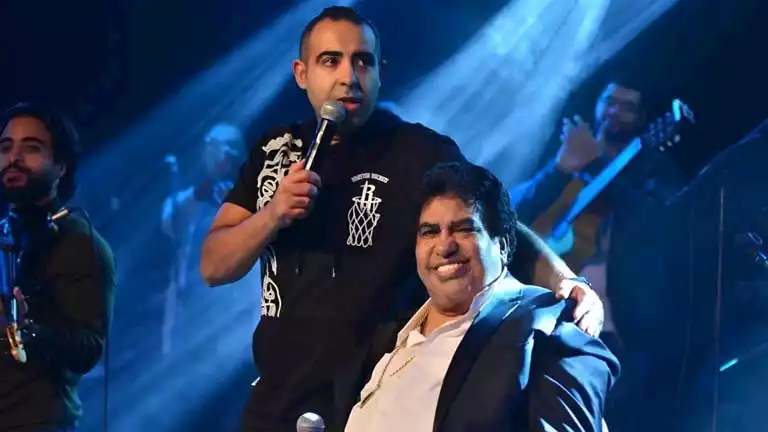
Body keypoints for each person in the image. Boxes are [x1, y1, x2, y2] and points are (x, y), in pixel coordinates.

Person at [200, 7, 603, 431]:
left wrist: (565, 280)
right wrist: (272, 215)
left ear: (380, 72)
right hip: (276, 400)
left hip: (374, 400)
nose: (349, 76)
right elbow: (213, 266)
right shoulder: (274, 151)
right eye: (330, 61)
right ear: (302, 74)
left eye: (363, 61)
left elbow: (496, 228)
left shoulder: (418, 151)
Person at [340, 162, 619, 432]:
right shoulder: (387, 341)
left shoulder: (549, 328)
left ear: (504, 245)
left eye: (464, 229)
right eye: (430, 232)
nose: (444, 246)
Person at [511, 79, 686, 429]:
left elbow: (658, 224)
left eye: (627, 107)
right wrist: (560, 169)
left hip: (608, 326)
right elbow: (511, 214)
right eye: (609, 102)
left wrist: (594, 164)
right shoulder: (572, 150)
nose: (614, 112)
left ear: (642, 119)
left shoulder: (651, 167)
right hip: (533, 310)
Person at [0, 103, 116, 431]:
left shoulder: (81, 242)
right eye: (5, 148)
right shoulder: (3, 234)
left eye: (31, 148)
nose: (13, 158)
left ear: (61, 166)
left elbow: (88, 350)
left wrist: (28, 328)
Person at [160, 122, 258, 356]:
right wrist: (199, 194)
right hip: (190, 309)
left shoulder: (255, 196)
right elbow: (169, 223)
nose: (214, 155)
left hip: (235, 310)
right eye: (209, 148)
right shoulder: (190, 197)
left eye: (222, 148)